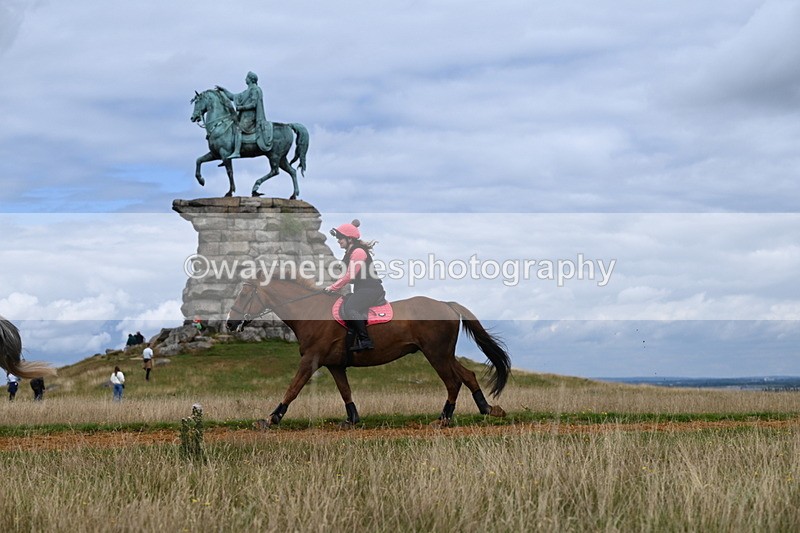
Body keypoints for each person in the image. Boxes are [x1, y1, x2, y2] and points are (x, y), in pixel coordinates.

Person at [324, 219, 385, 351]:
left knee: (351, 307)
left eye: (340, 238)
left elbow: (350, 275)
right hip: (361, 289)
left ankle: (365, 341)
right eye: (338, 237)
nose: (338, 240)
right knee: (345, 305)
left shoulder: (358, 252)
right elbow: (346, 276)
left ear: (350, 239)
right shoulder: (349, 253)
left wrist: (333, 287)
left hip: (371, 289)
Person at [216, 71, 273, 161]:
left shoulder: (255, 90)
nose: (245, 79)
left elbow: (254, 104)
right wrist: (224, 90)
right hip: (244, 116)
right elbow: (233, 96)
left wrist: (241, 107)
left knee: (238, 129)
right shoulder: (246, 91)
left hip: (251, 117)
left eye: (247, 77)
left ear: (250, 79)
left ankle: (237, 151)